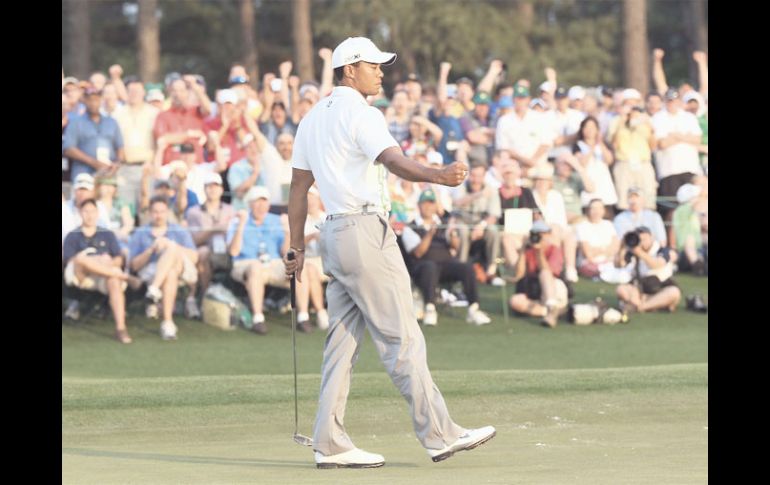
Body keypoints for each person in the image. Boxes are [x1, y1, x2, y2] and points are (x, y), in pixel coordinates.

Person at [284, 36, 495, 469]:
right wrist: (438, 175)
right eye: (373, 65)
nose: (381, 72)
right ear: (349, 70)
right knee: (402, 338)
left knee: (340, 346)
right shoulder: (362, 113)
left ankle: (329, 443)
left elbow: (297, 191)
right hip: (364, 232)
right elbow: (394, 161)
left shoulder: (310, 119)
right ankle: (439, 435)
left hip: (334, 236)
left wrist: (294, 246)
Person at [226, 186, 315, 334]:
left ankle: (303, 316)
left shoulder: (276, 221)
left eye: (264, 202)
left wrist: (287, 231)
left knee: (298, 266)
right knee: (255, 268)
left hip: (273, 263)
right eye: (257, 202)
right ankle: (258, 318)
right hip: (245, 262)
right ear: (250, 204)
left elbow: (284, 251)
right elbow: (233, 251)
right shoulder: (238, 220)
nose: (261, 207)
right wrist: (241, 225)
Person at [400, 189, 492, 326]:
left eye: (431, 203)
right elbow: (418, 253)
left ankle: (474, 308)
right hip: (422, 267)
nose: (428, 207)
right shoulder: (410, 227)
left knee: (466, 267)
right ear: (418, 205)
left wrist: (453, 233)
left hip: (445, 264)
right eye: (424, 203)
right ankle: (430, 308)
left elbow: (456, 247)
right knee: (429, 267)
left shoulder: (443, 223)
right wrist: (430, 233)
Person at [63, 198, 140, 344]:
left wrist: (107, 262)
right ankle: (125, 277)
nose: (89, 215)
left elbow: (118, 258)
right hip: (81, 276)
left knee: (114, 281)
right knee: (82, 259)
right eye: (86, 211)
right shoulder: (73, 235)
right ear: (80, 213)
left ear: (98, 213)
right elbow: (69, 260)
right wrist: (96, 260)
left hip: (104, 275)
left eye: (92, 211)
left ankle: (120, 328)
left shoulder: (107, 235)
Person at [129, 196, 199, 340]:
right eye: (155, 211)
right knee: (170, 274)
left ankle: (153, 289)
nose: (158, 215)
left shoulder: (178, 230)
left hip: (183, 269)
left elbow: (194, 256)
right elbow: (134, 265)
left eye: (162, 211)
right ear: (149, 213)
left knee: (172, 249)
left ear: (167, 212)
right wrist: (151, 249)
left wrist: (169, 245)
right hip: (151, 269)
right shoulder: (141, 233)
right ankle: (167, 323)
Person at [508, 220, 569, 328]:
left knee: (544, 274)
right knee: (515, 301)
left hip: (553, 289)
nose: (539, 237)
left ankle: (551, 307)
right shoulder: (528, 250)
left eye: (542, 234)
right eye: (536, 234)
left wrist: (539, 253)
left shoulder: (555, 249)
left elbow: (549, 273)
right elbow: (519, 274)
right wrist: (522, 250)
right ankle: (551, 312)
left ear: (548, 234)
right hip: (535, 292)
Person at [615, 226, 681, 314]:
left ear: (651, 237)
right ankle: (654, 305)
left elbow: (656, 265)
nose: (642, 243)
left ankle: (640, 307)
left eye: (644, 239)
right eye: (639, 240)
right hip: (641, 289)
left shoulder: (662, 250)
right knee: (621, 289)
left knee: (674, 292)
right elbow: (619, 265)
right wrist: (622, 248)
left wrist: (640, 253)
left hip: (661, 287)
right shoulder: (633, 251)